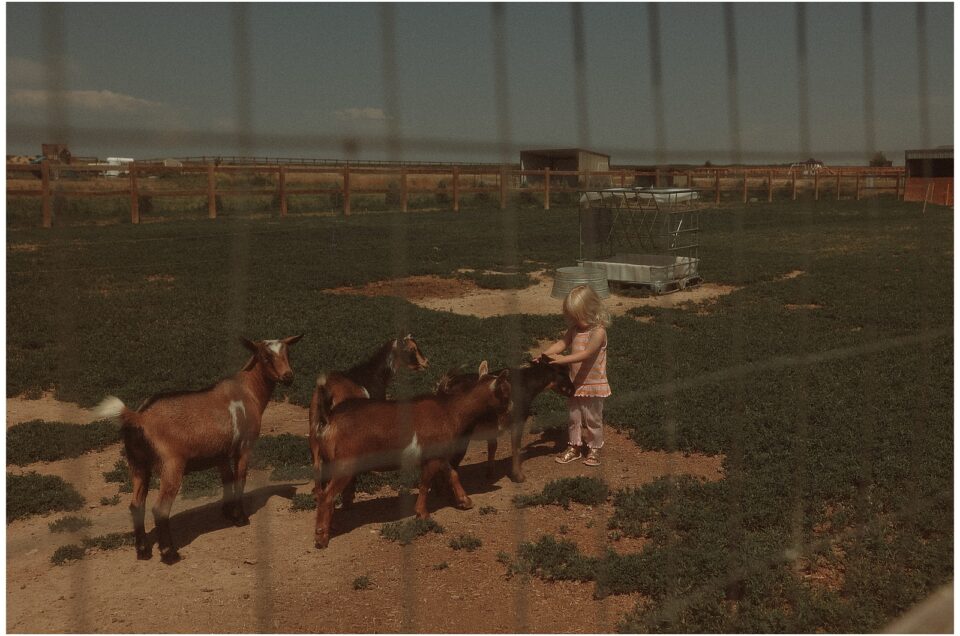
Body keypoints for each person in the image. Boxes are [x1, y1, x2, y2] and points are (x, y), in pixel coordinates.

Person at [541, 284, 611, 466]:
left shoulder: (599, 331)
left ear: (591, 309)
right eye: (572, 317)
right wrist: (545, 355)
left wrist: (562, 360)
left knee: (593, 418)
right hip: (575, 383)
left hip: (593, 384)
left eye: (578, 316)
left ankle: (594, 448)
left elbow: (586, 354)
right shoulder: (574, 330)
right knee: (574, 418)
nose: (575, 321)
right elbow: (561, 343)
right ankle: (574, 447)